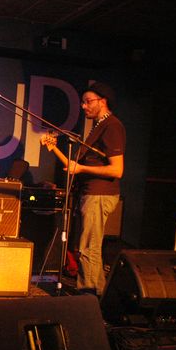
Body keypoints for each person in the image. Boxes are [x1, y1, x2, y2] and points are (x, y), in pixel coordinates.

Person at [46, 82, 125, 296]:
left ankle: (87, 296)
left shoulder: (112, 126)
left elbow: (117, 170)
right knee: (91, 247)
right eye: (82, 102)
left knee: (88, 248)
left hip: (99, 194)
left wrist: (81, 168)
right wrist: (55, 150)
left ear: (103, 101)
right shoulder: (99, 126)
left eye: (88, 101)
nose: (83, 106)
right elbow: (75, 168)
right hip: (90, 193)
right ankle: (97, 296)